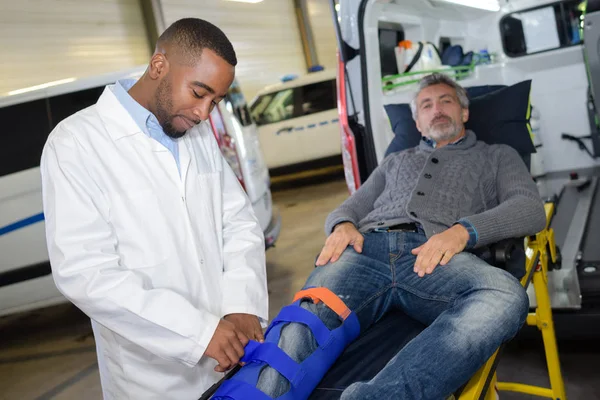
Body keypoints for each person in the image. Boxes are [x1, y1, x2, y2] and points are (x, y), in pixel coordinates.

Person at [252, 73, 546, 399]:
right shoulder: (395, 161)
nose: (437, 109)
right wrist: (342, 226)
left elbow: (529, 208)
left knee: (504, 296)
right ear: (417, 123)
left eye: (446, 101)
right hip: (366, 251)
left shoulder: (496, 155)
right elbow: (349, 208)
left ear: (464, 113)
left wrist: (464, 232)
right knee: (305, 320)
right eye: (426, 105)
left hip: (435, 255)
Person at [40, 18, 268, 399]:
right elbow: (85, 273)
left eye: (215, 101)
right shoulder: (75, 144)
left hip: (231, 361)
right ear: (159, 66)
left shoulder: (195, 134)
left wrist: (241, 303)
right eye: (199, 92)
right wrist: (196, 332)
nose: (203, 113)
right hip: (152, 381)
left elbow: (238, 222)